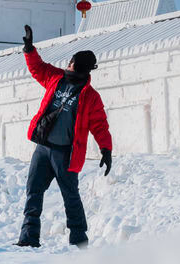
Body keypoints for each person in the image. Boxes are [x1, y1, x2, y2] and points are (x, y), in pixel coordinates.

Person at [15, 25, 112, 249]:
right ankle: (28, 238)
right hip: (43, 149)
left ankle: (79, 240)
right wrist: (29, 49)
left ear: (78, 66)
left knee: (70, 196)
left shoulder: (90, 96)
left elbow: (100, 125)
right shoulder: (56, 77)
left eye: (72, 62)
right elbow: (38, 68)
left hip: (66, 153)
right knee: (33, 192)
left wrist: (106, 149)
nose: (68, 64)